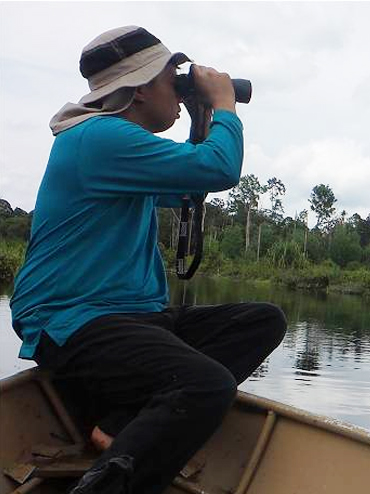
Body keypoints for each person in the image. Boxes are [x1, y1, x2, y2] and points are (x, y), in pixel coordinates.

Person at [9, 26, 287, 493]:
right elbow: (219, 168)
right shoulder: (99, 138)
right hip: (73, 321)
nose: (179, 94)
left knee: (261, 321)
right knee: (205, 386)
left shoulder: (122, 148)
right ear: (139, 89)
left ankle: (118, 425)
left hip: (129, 319)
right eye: (172, 81)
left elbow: (191, 185)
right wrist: (222, 104)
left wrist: (201, 121)